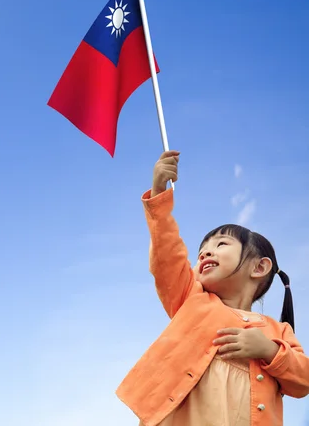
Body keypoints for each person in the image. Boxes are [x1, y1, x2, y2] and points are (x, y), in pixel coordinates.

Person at [116, 151, 309, 426]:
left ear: (259, 267)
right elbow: (168, 257)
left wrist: (268, 350)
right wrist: (159, 196)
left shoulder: (278, 332)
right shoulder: (191, 298)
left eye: (220, 245)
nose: (206, 253)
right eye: (202, 251)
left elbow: (303, 382)